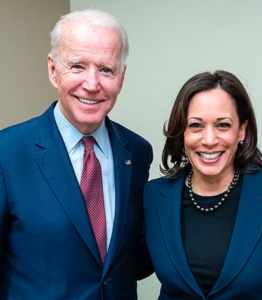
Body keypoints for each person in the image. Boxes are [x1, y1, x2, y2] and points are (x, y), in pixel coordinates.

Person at [0, 9, 153, 300]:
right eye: (78, 66)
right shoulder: (7, 153)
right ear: (53, 69)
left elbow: (132, 257)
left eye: (106, 69)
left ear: (121, 77)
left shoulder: (137, 151)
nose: (92, 84)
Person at [143, 70, 262, 300]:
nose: (209, 140)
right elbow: (123, 268)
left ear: (242, 130)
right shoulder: (153, 196)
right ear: (182, 133)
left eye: (223, 125)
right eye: (196, 125)